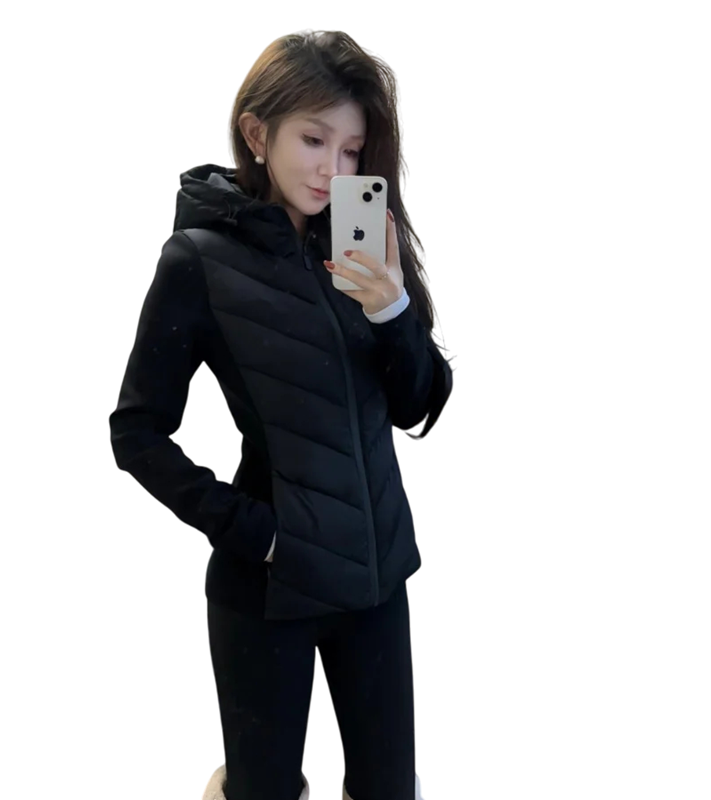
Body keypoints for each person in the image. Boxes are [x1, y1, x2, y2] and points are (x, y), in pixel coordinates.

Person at [109, 29, 453, 800]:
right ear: (257, 134)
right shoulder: (198, 261)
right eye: (314, 140)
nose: (335, 169)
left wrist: (392, 308)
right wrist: (252, 531)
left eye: (353, 150)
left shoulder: (363, 245)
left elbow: (419, 403)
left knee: (389, 789)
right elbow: (136, 432)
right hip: (268, 589)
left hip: (376, 580)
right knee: (261, 791)